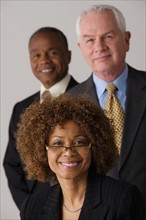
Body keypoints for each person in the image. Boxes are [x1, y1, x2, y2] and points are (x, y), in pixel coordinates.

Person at [67, 4, 146, 213]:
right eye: (90, 40)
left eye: (108, 36)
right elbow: (61, 173)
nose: (99, 46)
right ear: (80, 47)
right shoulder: (68, 104)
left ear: (127, 40)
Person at [15, 94, 144, 220]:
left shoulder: (122, 198)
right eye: (58, 143)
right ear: (43, 150)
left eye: (79, 142)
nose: (69, 152)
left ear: (94, 147)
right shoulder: (32, 207)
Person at [3, 27, 78, 210]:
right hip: (37, 208)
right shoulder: (21, 109)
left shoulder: (87, 100)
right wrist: (29, 207)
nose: (44, 60)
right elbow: (12, 164)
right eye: (36, 55)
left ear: (68, 56)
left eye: (52, 52)